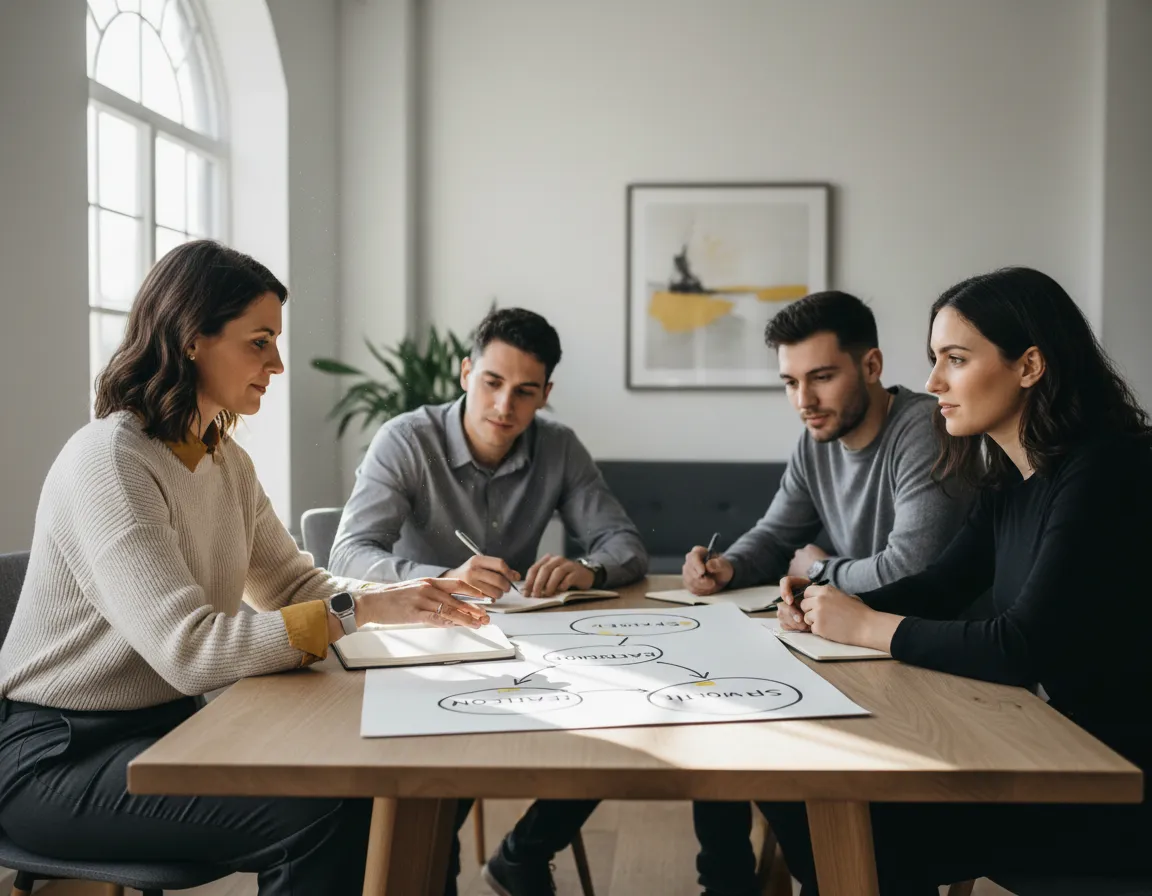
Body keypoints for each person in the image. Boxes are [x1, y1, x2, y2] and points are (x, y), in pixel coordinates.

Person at [0, 240, 488, 896]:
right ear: (192, 338)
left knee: (384, 787)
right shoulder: (112, 463)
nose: (277, 363)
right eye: (259, 342)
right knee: (315, 817)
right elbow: (191, 653)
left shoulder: (223, 460)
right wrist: (361, 611)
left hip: (167, 729)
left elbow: (292, 585)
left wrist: (409, 595)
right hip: (54, 760)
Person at [483, 291, 974, 896]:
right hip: (849, 647)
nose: (804, 401)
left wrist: (821, 570)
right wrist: (725, 567)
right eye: (790, 382)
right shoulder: (815, 441)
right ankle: (730, 880)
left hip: (921, 663)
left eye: (821, 377)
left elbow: (911, 568)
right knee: (710, 697)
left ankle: (810, 872)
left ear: (871, 366)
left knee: (731, 716)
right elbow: (775, 537)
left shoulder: (925, 429)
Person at [765, 267, 1152, 894]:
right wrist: (826, 602)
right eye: (934, 359)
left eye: (955, 359)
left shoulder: (1107, 470)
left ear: (1029, 366)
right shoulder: (1012, 476)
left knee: (834, 809)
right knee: (802, 792)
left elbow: (1021, 645)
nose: (932, 382)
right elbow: (941, 585)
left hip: (1107, 781)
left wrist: (865, 625)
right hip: (1042, 745)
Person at [327, 306, 648, 895]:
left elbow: (624, 545)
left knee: (619, 731)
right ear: (465, 371)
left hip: (525, 645)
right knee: (440, 779)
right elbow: (347, 556)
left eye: (525, 392)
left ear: (546, 394)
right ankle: (433, 872)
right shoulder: (405, 439)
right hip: (424, 644)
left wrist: (586, 566)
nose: (505, 407)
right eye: (492, 383)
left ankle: (523, 855)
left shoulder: (559, 448)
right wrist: (444, 577)